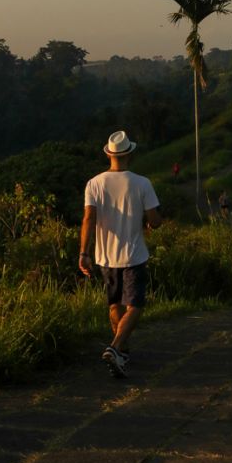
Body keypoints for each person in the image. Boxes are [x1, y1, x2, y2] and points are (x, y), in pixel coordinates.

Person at [80, 130, 162, 378]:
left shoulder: (94, 183)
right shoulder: (142, 183)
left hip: (105, 256)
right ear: (129, 154)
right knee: (135, 305)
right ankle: (115, 348)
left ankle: (122, 353)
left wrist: (84, 253)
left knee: (114, 304)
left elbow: (88, 219)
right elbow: (155, 221)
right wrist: (151, 222)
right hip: (133, 255)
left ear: (109, 154)